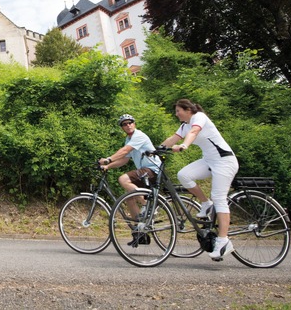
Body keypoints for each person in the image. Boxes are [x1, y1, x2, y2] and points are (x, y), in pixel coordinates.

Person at [160, 99, 239, 260]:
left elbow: (194, 132)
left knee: (219, 197)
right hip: (209, 161)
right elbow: (172, 139)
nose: (176, 114)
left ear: (188, 109)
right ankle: (205, 203)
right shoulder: (184, 125)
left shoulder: (199, 117)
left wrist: (185, 146)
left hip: (224, 161)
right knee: (184, 175)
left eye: (178, 111)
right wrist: (155, 150)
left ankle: (223, 241)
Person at [99, 114, 161, 246]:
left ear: (134, 123)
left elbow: (125, 151)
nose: (128, 125)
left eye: (130, 123)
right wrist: (108, 166)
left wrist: (108, 159)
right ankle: (140, 234)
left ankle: (147, 204)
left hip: (152, 170)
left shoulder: (139, 136)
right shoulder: (129, 139)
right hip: (145, 171)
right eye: (124, 124)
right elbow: (124, 159)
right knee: (129, 198)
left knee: (123, 179)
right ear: (122, 127)